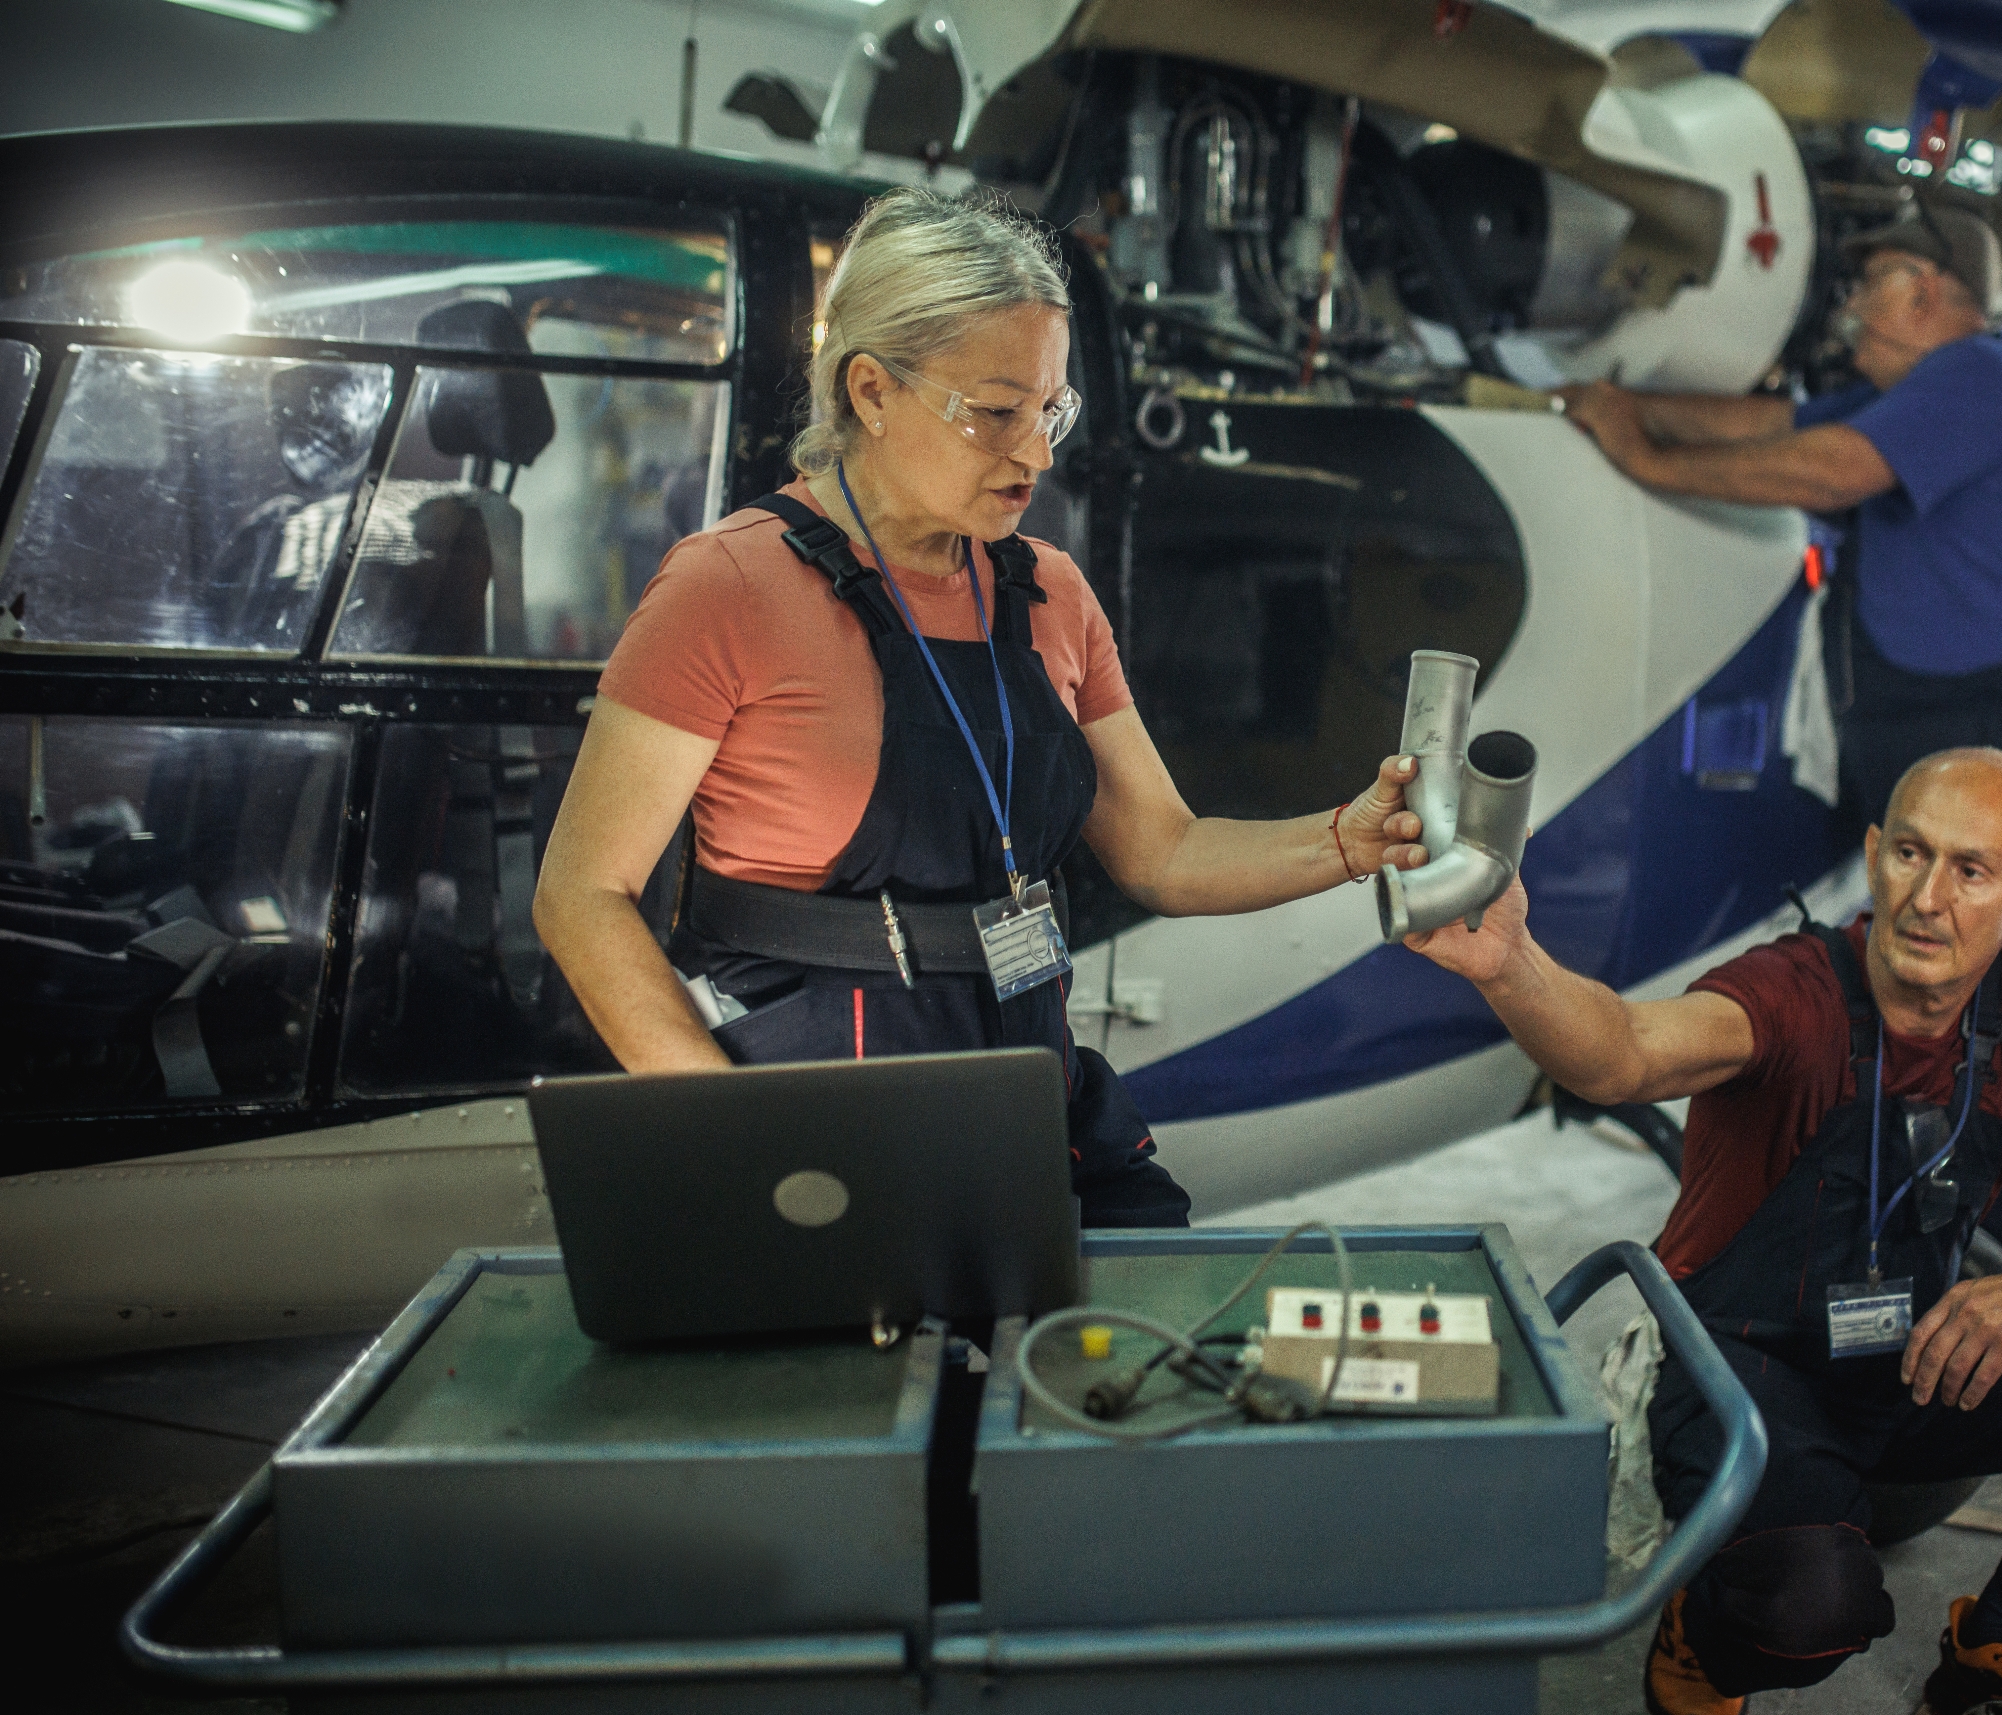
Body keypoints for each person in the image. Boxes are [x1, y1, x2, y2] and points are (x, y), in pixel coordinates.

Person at [536, 187, 1427, 1226]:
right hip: (816, 1126)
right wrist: (737, 1139)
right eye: (995, 410)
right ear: (871, 389)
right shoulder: (726, 587)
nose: (1036, 453)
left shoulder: (1048, 592)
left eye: (1052, 411)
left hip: (1023, 1097)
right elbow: (581, 897)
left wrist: (1346, 839)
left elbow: (1164, 853)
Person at [1405, 747, 2002, 1715]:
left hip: (1913, 1356)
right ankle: (1705, 1621)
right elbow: (1623, 1050)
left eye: (1972, 870)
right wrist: (1511, 963)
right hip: (1742, 1367)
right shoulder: (1789, 992)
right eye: (1911, 854)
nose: (1928, 898)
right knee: (1803, 1616)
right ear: (1873, 854)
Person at [1556, 196, 2002, 1267]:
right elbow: (1773, 424)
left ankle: (1997, 1272)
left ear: (1924, 291)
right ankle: (1900, 1258)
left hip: (1998, 742)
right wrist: (1618, 402)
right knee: (1908, 997)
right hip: (1921, 737)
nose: (1849, 308)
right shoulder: (1904, 393)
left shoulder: (1981, 377)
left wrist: (1647, 459)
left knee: (1996, 1015)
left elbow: (1826, 469)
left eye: (1865, 284)